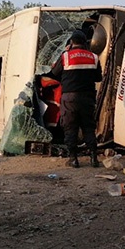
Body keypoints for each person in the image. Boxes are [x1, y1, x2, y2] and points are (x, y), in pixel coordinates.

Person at [45, 30, 102, 168]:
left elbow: (54, 73)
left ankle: (73, 159)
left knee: (70, 128)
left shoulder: (66, 56)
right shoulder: (94, 57)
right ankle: (94, 158)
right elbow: (98, 78)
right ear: (85, 42)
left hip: (69, 98)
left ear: (71, 42)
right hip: (87, 98)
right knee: (88, 127)